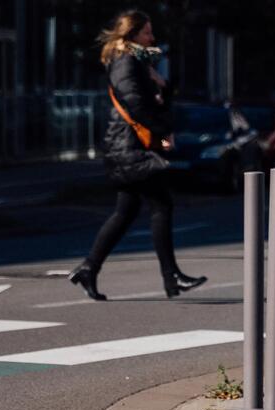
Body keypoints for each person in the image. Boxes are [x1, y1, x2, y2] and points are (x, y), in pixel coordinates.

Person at [67, 10, 206, 301]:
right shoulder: (125, 62)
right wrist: (165, 131)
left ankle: (89, 268)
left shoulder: (136, 63)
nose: (152, 38)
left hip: (131, 146)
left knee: (126, 211)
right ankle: (171, 277)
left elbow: (153, 102)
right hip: (129, 147)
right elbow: (137, 107)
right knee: (161, 205)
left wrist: (163, 85)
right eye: (146, 33)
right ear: (132, 35)